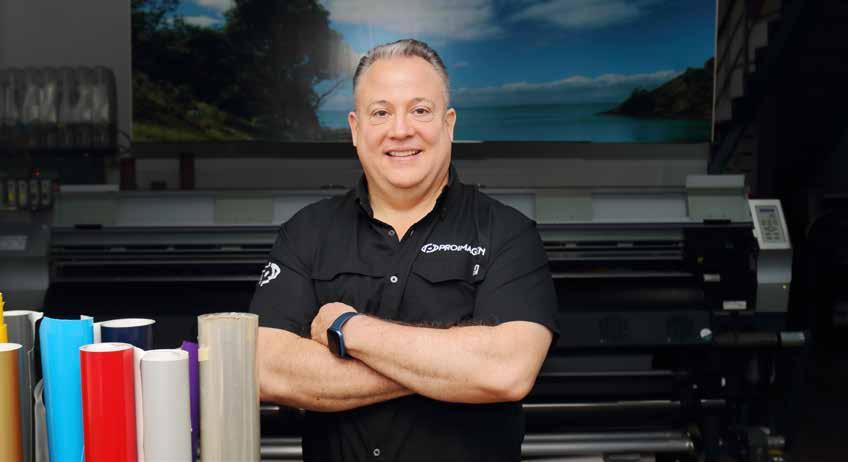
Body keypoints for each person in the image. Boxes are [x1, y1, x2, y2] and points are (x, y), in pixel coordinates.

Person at [250, 38, 559, 462]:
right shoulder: (305, 232)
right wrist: (451, 367)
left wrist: (348, 329)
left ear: (449, 124)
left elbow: (506, 371)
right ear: (355, 129)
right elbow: (266, 369)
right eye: (381, 112)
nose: (400, 130)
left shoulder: (508, 234)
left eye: (420, 110)